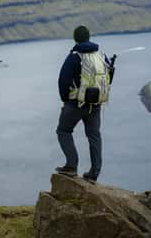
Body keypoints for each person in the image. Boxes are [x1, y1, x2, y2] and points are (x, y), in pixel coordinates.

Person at [56, 25, 110, 183]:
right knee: (94, 135)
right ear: (88, 37)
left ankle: (71, 167)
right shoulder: (100, 54)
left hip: (75, 104)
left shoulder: (74, 56)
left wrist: (65, 99)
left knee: (63, 131)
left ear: (75, 38)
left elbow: (63, 80)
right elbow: (109, 75)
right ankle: (94, 173)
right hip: (96, 103)